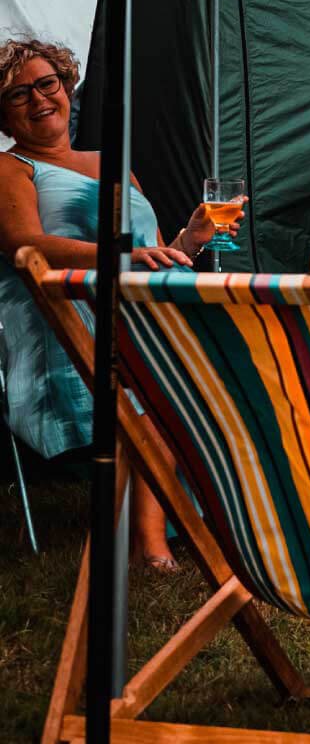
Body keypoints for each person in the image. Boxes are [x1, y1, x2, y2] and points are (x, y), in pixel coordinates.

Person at [0, 39, 244, 571]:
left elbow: (154, 257)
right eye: (18, 94)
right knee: (154, 395)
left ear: (66, 88)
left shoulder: (113, 165)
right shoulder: (10, 169)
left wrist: (191, 239)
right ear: (4, 113)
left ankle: (223, 523)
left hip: (140, 320)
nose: (39, 98)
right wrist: (124, 252)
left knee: (225, 380)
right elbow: (24, 244)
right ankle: (150, 547)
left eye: (47, 84)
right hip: (66, 330)